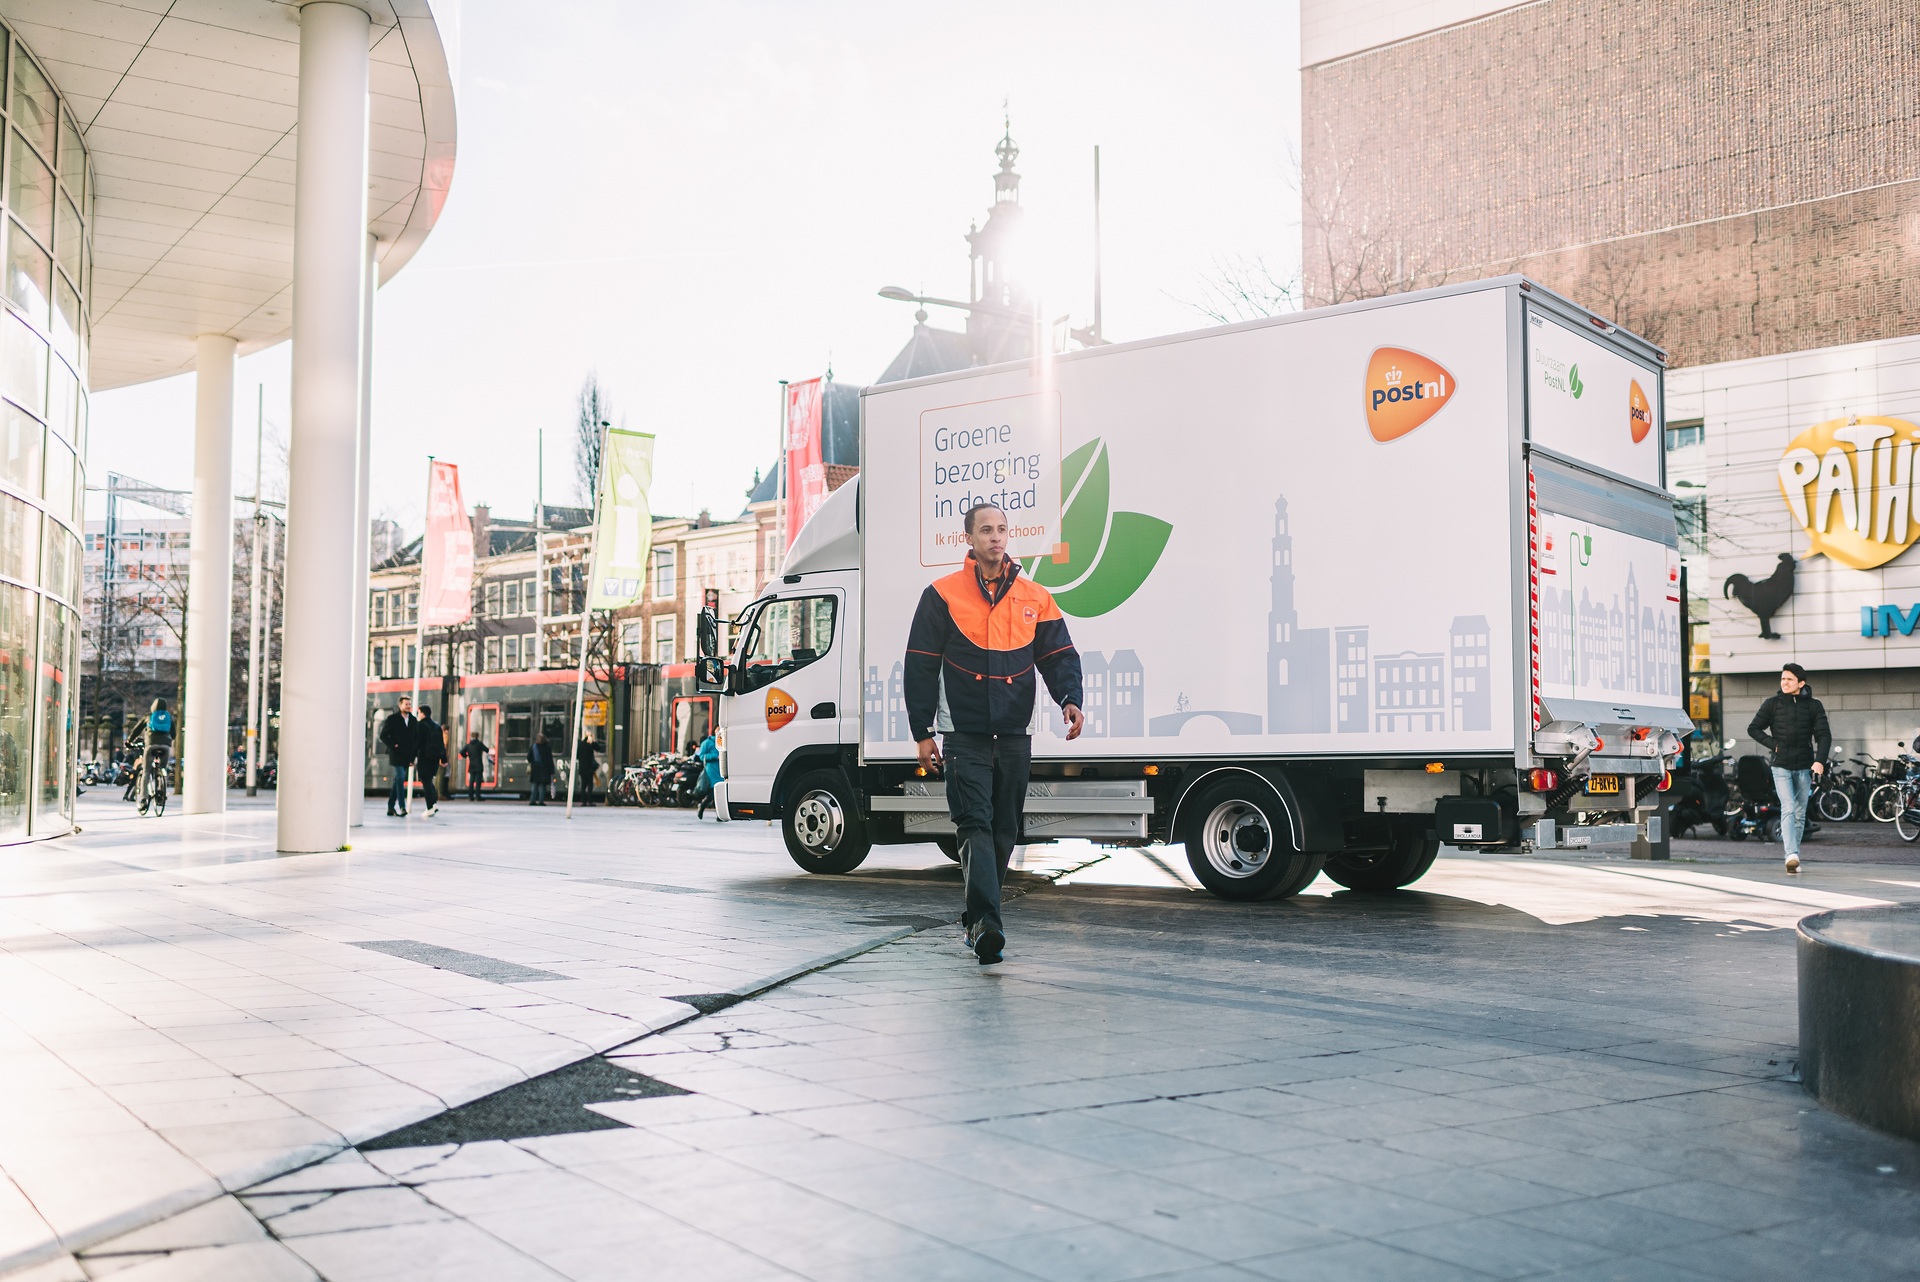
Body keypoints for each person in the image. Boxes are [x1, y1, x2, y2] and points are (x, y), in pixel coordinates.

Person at [905, 502, 1084, 965]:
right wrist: (922, 731)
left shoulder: (1034, 596)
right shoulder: (941, 595)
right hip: (963, 734)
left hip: (1014, 734)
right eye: (986, 530)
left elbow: (1059, 654)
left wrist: (1070, 698)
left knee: (1005, 828)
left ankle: (977, 918)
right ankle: (987, 923)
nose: (996, 537)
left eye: (1002, 529)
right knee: (975, 825)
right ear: (969, 539)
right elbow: (920, 665)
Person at [1748, 662, 1831, 873]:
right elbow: (1754, 728)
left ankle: (1795, 854)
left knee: (1801, 812)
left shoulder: (1814, 706)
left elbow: (1823, 735)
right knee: (1788, 807)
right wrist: (1773, 744)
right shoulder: (1772, 704)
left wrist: (1819, 761)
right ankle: (1791, 855)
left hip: (1804, 765)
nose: (1785, 682)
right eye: (1783, 678)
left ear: (1801, 683)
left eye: (1789, 679)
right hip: (1781, 765)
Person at [378, 697, 414, 816]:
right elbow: (383, 735)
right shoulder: (392, 719)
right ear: (400, 705)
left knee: (398, 780)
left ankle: (390, 807)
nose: (408, 706)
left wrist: (413, 757)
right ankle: (402, 807)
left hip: (407, 755)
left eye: (409, 704)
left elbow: (415, 739)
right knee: (400, 777)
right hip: (396, 754)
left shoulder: (413, 720)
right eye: (406, 704)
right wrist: (393, 746)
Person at [412, 704, 446, 818]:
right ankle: (433, 804)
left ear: (422, 713)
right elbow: (441, 745)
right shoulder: (437, 727)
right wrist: (443, 758)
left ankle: (430, 807)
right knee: (429, 781)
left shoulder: (420, 726)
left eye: (418, 713)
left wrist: (411, 758)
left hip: (424, 758)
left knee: (426, 783)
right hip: (435, 759)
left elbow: (417, 743)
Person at [694, 731, 722, 820]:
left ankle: (719, 815)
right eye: (718, 729)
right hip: (711, 770)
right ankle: (703, 806)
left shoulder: (724, 741)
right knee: (714, 792)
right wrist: (715, 756)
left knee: (720, 792)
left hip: (721, 770)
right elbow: (702, 756)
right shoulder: (707, 743)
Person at [459, 732, 490, 803]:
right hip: (479, 765)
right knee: (478, 782)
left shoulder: (468, 745)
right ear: (477, 736)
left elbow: (461, 752)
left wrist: (466, 756)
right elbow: (487, 750)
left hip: (472, 765)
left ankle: (470, 796)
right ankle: (477, 796)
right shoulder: (479, 744)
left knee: (471, 782)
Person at [573, 732, 599, 806]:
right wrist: (593, 742)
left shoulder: (581, 744)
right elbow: (598, 748)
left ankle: (583, 801)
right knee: (590, 785)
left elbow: (577, 755)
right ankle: (589, 801)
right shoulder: (590, 745)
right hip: (589, 768)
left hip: (582, 768)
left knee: (583, 785)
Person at [528, 734, 554, 805]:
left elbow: (528, 758)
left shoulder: (533, 747)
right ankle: (541, 801)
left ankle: (532, 800)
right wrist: (552, 770)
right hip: (544, 770)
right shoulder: (547, 748)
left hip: (535, 769)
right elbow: (550, 760)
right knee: (542, 786)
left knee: (535, 785)